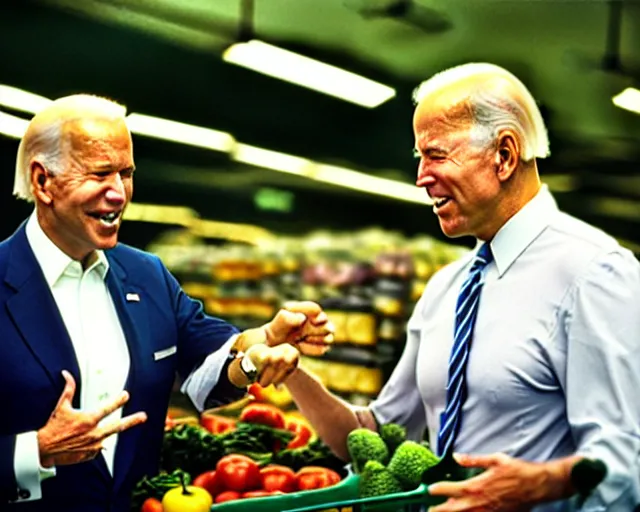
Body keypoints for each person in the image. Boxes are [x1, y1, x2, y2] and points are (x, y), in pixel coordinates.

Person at [285, 62, 640, 511]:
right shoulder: (445, 287)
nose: (420, 177)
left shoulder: (595, 273)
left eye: (435, 154)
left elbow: (623, 463)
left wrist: (541, 484)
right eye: (419, 158)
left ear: (504, 154)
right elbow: (374, 433)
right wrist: (292, 370)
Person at [0, 94, 333, 511]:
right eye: (101, 174)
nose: (120, 194)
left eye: (127, 173)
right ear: (43, 181)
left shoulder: (146, 275)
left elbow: (203, 368)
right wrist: (37, 450)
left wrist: (257, 348)